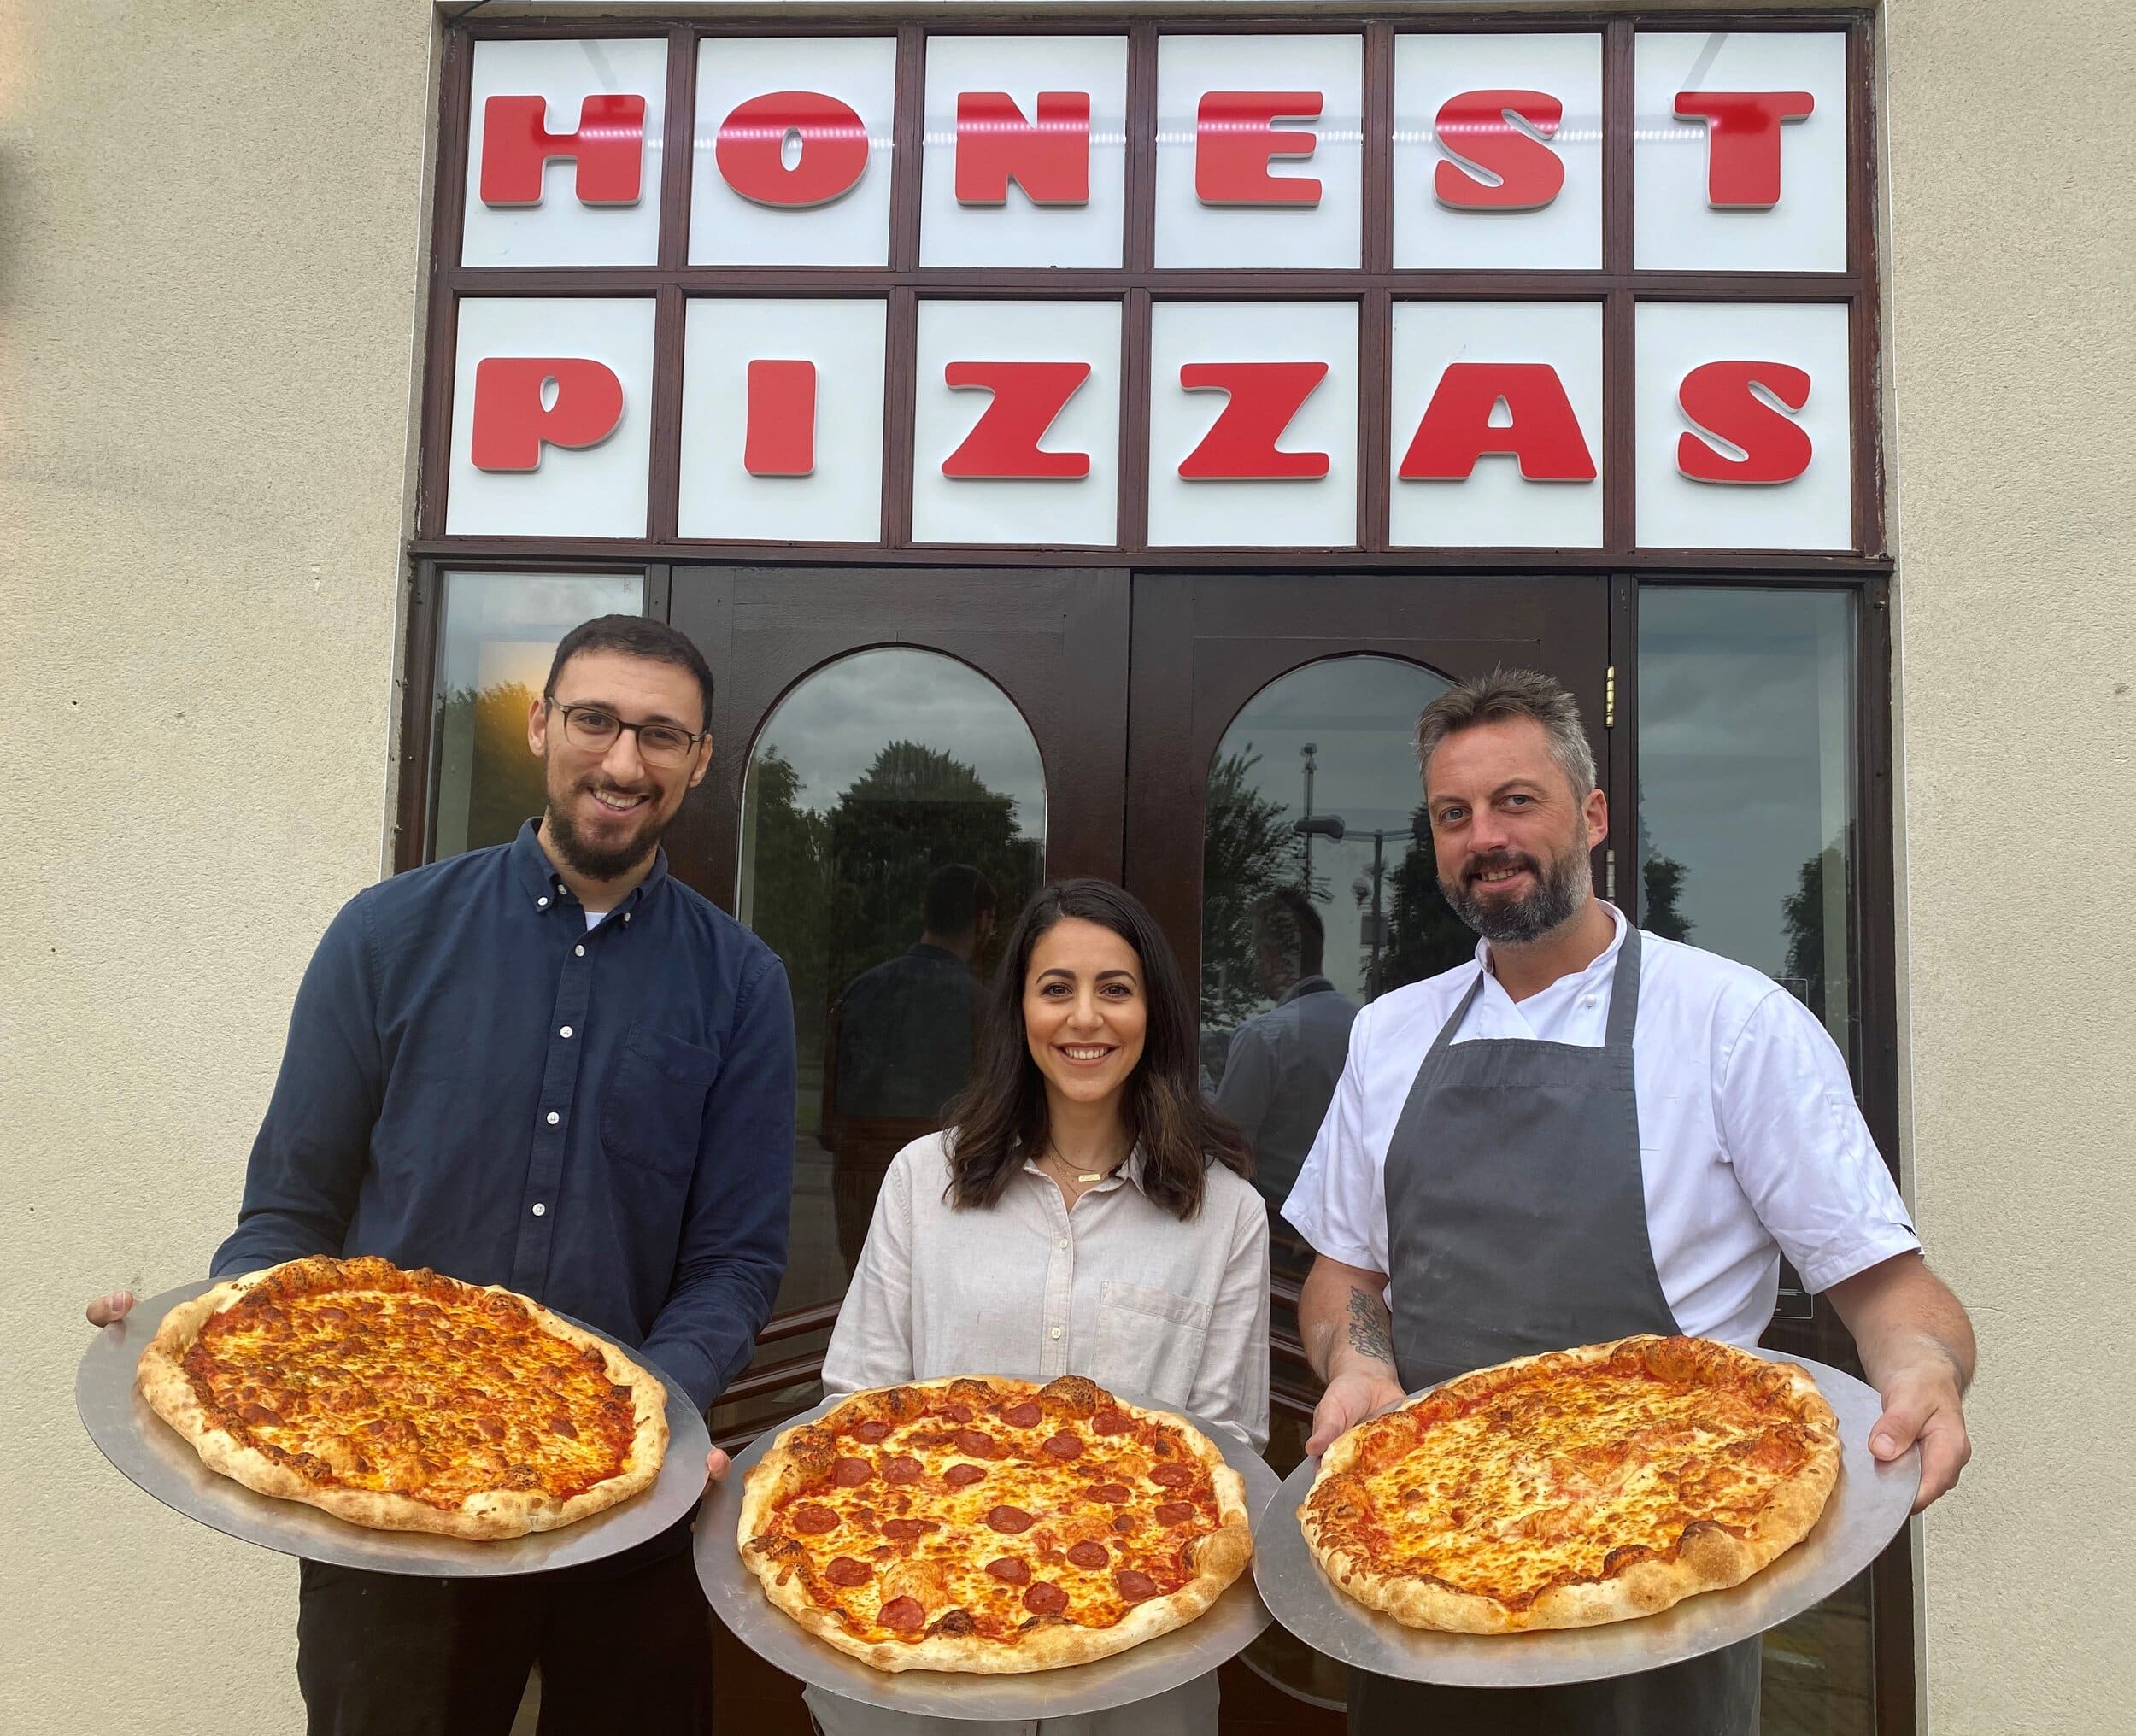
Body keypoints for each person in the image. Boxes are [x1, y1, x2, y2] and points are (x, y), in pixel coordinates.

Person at [85, 614, 797, 1736]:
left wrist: (654, 1417)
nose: (623, 763)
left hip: (622, 1509)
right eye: (596, 722)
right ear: (539, 724)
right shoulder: (385, 936)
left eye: (661, 736)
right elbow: (291, 1207)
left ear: (700, 762)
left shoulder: (743, 986)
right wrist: (223, 1326)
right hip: (384, 1499)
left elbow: (737, 1257)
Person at [1285, 668, 1975, 1736]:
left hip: (1675, 1541)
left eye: (1517, 801)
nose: (1485, 839)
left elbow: (1889, 1291)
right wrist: (1359, 1360)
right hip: (1428, 1533)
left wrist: (1925, 1370)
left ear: (1593, 815)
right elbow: (1345, 1274)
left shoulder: (1735, 1024)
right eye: (1453, 815)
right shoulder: (1390, 1033)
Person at [807, 878, 1270, 1736]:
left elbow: (1225, 1455)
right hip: (914, 1665)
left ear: (1154, 1013)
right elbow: (854, 1408)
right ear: (1018, 1009)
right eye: (1056, 987)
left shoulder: (1227, 1213)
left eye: (1115, 989)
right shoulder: (921, 1180)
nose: (1084, 1018)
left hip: (1136, 1692)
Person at [824, 864, 998, 1268]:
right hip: (948, 1176)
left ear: (925, 911)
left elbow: (830, 1114)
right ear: (984, 921)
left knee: (866, 1293)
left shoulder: (861, 991)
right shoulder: (984, 1008)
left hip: (859, 1173)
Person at [1213, 888, 1358, 1247]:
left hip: (1276, 1239)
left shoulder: (1264, 1037)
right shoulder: (1365, 1026)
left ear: (1265, 956)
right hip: (1351, 1235)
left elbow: (1225, 1152)